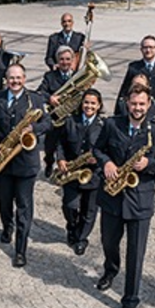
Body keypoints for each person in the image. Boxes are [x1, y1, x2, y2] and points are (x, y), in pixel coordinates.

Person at [92, 84, 155, 308]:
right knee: (108, 242)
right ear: (127, 102)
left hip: (140, 201)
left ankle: (130, 301)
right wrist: (105, 162)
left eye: (142, 104)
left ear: (148, 105)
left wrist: (148, 163)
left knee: (136, 255)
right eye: (134, 103)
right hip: (112, 197)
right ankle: (111, 269)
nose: (137, 108)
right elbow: (97, 149)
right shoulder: (111, 124)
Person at [0, 63, 50, 267]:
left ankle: (21, 250)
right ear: (6, 79)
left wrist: (33, 128)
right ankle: (7, 227)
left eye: (19, 78)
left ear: (24, 78)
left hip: (26, 163)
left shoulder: (36, 99)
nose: (15, 81)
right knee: (5, 203)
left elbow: (48, 122)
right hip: (3, 162)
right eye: (11, 78)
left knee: (24, 206)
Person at [59, 89, 104, 255]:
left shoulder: (104, 125)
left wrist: (98, 159)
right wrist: (61, 159)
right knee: (69, 205)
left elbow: (108, 150)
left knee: (89, 211)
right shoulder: (70, 121)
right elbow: (61, 143)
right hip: (72, 171)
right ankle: (71, 225)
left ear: (99, 105)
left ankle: (81, 238)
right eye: (86, 102)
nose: (89, 106)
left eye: (93, 103)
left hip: (93, 175)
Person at [38, 46, 78, 172]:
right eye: (61, 59)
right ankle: (49, 163)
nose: (65, 62)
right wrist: (50, 98)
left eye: (67, 59)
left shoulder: (78, 76)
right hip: (55, 117)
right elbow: (39, 92)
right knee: (50, 146)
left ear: (72, 60)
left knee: (70, 144)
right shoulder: (50, 76)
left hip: (72, 117)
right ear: (57, 61)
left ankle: (68, 168)